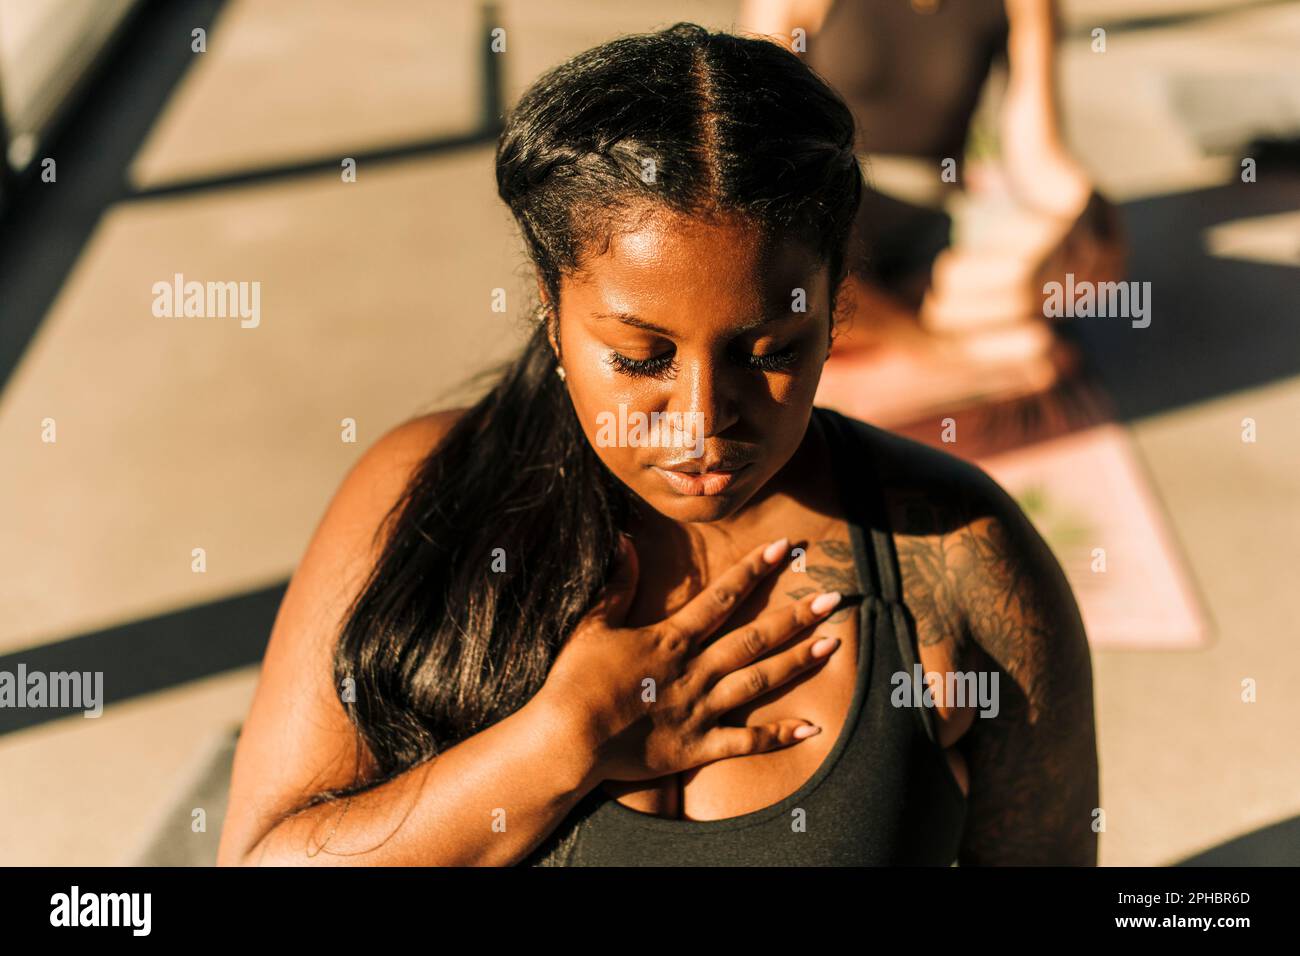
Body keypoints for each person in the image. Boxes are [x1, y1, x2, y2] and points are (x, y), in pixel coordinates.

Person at [216, 22, 1098, 867]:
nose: (704, 421)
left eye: (770, 354)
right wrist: (566, 740)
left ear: (836, 311)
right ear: (550, 308)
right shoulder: (420, 491)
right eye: (641, 357)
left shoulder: (959, 557)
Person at [740, 0, 1125, 421]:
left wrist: (1084, 211)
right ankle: (952, 355)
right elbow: (760, 137)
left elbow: (1035, 147)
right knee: (778, 275)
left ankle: (875, 345)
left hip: (936, 215)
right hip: (826, 205)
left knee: (1054, 273)